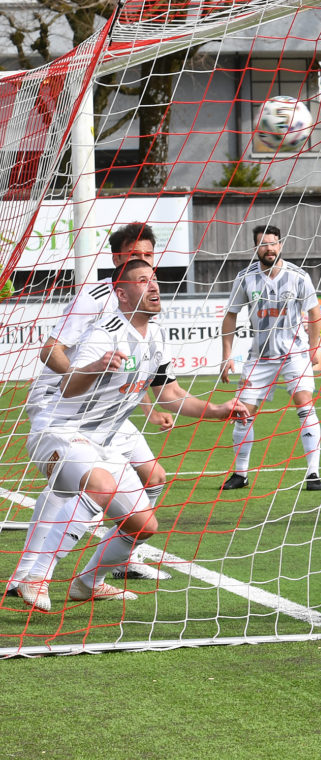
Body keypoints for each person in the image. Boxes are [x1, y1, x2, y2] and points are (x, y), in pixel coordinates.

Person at [15, 260, 248, 611]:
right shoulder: (103, 333)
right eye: (143, 281)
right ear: (121, 294)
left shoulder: (155, 338)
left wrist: (217, 410)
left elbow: (170, 394)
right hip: (60, 432)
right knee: (101, 486)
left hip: (103, 441)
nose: (154, 287)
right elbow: (67, 384)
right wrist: (92, 368)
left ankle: (88, 583)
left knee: (143, 525)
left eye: (154, 280)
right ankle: (36, 576)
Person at [8, 223, 175, 597]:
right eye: (137, 256)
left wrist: (145, 405)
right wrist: (82, 380)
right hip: (67, 406)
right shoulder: (95, 296)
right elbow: (50, 350)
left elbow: (133, 369)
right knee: (81, 482)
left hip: (108, 412)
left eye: (150, 257)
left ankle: (114, 561)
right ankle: (31, 575)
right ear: (118, 260)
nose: (145, 264)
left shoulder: (147, 315)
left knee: (153, 478)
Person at [219, 225, 321, 492]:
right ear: (256, 248)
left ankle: (313, 473)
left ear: (281, 245)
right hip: (260, 356)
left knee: (304, 404)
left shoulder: (299, 276)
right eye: (263, 244)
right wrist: (226, 355)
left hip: (294, 352)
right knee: (243, 414)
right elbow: (230, 316)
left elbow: (315, 313)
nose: (269, 248)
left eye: (273, 243)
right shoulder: (245, 278)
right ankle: (240, 474)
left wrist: (314, 348)